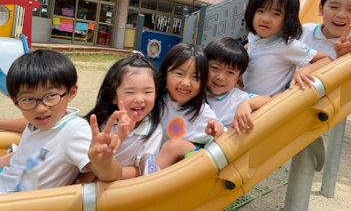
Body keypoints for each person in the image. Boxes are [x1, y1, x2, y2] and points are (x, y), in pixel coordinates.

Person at [0, 50, 127, 194]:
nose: (41, 108)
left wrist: (104, 162)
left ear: (71, 93)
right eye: (28, 99)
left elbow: (112, 175)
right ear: (15, 101)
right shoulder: (34, 125)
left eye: (51, 96)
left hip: (16, 202)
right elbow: (21, 158)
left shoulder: (74, 130)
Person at [242, 0, 332, 97]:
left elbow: (327, 59)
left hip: (266, 108)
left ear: (287, 19)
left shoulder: (286, 45)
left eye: (276, 14)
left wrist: (303, 71)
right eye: (260, 11)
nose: (265, 19)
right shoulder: (253, 37)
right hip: (245, 100)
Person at [83, 54, 163, 179]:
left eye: (147, 92)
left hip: (124, 188)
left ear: (156, 94)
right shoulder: (103, 125)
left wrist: (97, 172)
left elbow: (142, 170)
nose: (139, 99)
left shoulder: (154, 130)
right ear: (114, 96)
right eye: (130, 92)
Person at [154, 43, 224, 169]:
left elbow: (224, 138)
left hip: (178, 170)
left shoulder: (201, 112)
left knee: (174, 146)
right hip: (150, 160)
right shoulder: (156, 98)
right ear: (165, 74)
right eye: (179, 74)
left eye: (195, 77)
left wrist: (217, 130)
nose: (186, 83)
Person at [204, 37, 271, 134]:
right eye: (215, 68)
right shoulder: (197, 89)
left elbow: (268, 101)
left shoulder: (237, 98)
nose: (220, 77)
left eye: (230, 72)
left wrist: (248, 104)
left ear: (239, 76)